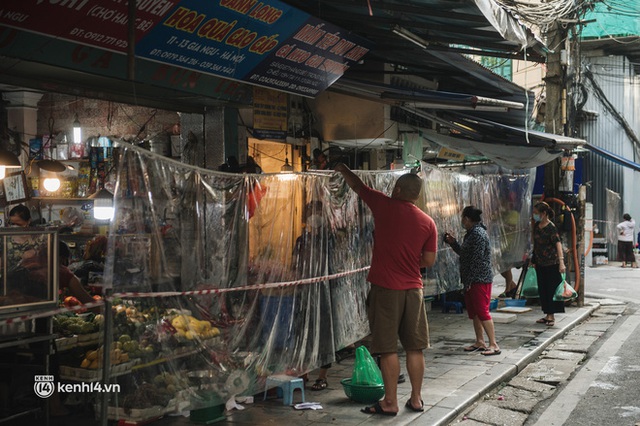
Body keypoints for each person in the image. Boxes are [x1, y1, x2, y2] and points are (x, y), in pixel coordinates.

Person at [334, 163, 437, 416]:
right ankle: (416, 399)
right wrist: (411, 262)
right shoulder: (428, 222)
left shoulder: (384, 205)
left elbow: (358, 186)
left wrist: (344, 168)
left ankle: (389, 402)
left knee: (387, 348)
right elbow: (429, 260)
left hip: (386, 289)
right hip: (414, 290)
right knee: (415, 347)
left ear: (399, 189)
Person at [443, 206, 500, 356]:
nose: (462, 221)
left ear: (467, 219)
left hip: (479, 279)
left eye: (462, 218)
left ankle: (493, 344)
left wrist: (469, 282)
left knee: (482, 311)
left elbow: (476, 260)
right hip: (472, 279)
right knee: (474, 312)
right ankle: (480, 341)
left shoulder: (478, 234)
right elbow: (464, 254)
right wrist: (453, 243)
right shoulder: (471, 233)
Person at [531, 202, 565, 326]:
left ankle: (551, 316)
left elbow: (558, 244)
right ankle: (546, 314)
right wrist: (533, 259)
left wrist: (561, 262)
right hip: (540, 262)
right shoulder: (536, 226)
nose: (534, 215)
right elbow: (535, 243)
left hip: (552, 263)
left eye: (536, 213)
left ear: (544, 213)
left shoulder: (551, 227)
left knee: (551, 289)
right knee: (543, 289)